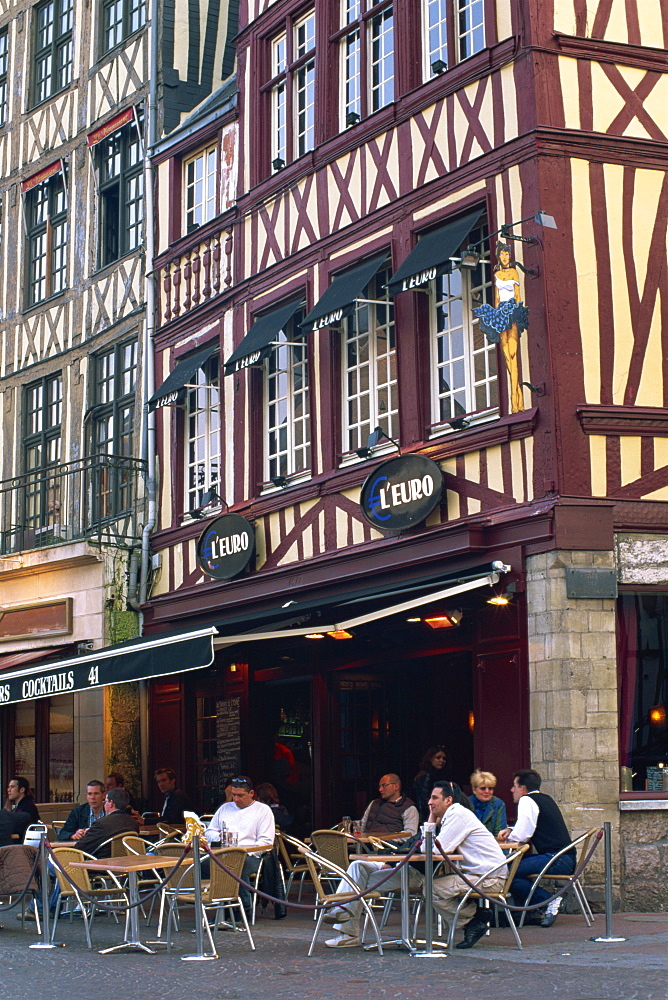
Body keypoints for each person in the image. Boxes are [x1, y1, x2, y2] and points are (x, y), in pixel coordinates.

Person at [429, 780, 508, 949]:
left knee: (431, 888)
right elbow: (427, 848)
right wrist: (431, 820)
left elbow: (436, 850)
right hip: (481, 874)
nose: (430, 802)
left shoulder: (457, 815)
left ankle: (473, 919)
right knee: (433, 887)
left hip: (489, 877)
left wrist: (430, 823)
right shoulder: (455, 815)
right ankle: (475, 918)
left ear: (448, 800)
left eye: (434, 798)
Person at [499, 768, 575, 927]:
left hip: (556, 859)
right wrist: (511, 829)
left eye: (514, 786)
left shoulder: (527, 800)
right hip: (565, 858)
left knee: (505, 871)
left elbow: (523, 835)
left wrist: (508, 835)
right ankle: (526, 913)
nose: (511, 790)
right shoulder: (545, 798)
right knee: (514, 873)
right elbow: (528, 826)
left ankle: (548, 902)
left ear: (523, 788)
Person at [204, 776, 275, 916]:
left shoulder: (263, 810)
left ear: (251, 793)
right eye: (233, 795)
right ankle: (214, 908)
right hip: (223, 855)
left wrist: (242, 849)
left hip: (251, 856)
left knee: (235, 866)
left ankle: (241, 909)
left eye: (240, 795)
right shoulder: (225, 808)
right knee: (202, 865)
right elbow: (210, 831)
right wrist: (221, 838)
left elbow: (266, 843)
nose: (236, 799)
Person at [472, 241, 530, 413]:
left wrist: (517, 312)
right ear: (498, 256)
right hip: (500, 311)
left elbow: (517, 295)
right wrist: (496, 313)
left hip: (512, 310)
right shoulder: (497, 273)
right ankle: (515, 397)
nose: (504, 257)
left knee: (513, 351)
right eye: (502, 255)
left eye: (507, 254)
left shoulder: (513, 272)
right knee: (505, 352)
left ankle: (516, 398)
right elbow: (497, 298)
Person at [76, 788, 139, 858]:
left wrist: (88, 834)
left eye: (105, 801)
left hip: (100, 865)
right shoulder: (133, 822)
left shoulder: (101, 824)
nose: (104, 805)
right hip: (126, 863)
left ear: (111, 803)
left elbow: (80, 848)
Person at [359, 774, 419, 838]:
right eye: (379, 786)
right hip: (366, 843)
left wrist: (386, 839)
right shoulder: (374, 803)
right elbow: (361, 827)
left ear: (396, 786)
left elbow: (410, 834)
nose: (380, 789)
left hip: (389, 846)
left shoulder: (408, 808)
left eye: (384, 785)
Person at [412, 747, 448, 820]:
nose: (442, 760)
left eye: (444, 758)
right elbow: (424, 801)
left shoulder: (435, 774)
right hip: (426, 815)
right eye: (438, 758)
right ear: (430, 759)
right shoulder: (426, 776)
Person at [468, 769, 507, 837]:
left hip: (492, 844)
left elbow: (500, 833)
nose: (487, 791)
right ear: (474, 790)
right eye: (483, 788)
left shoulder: (498, 804)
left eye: (490, 788)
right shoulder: (466, 804)